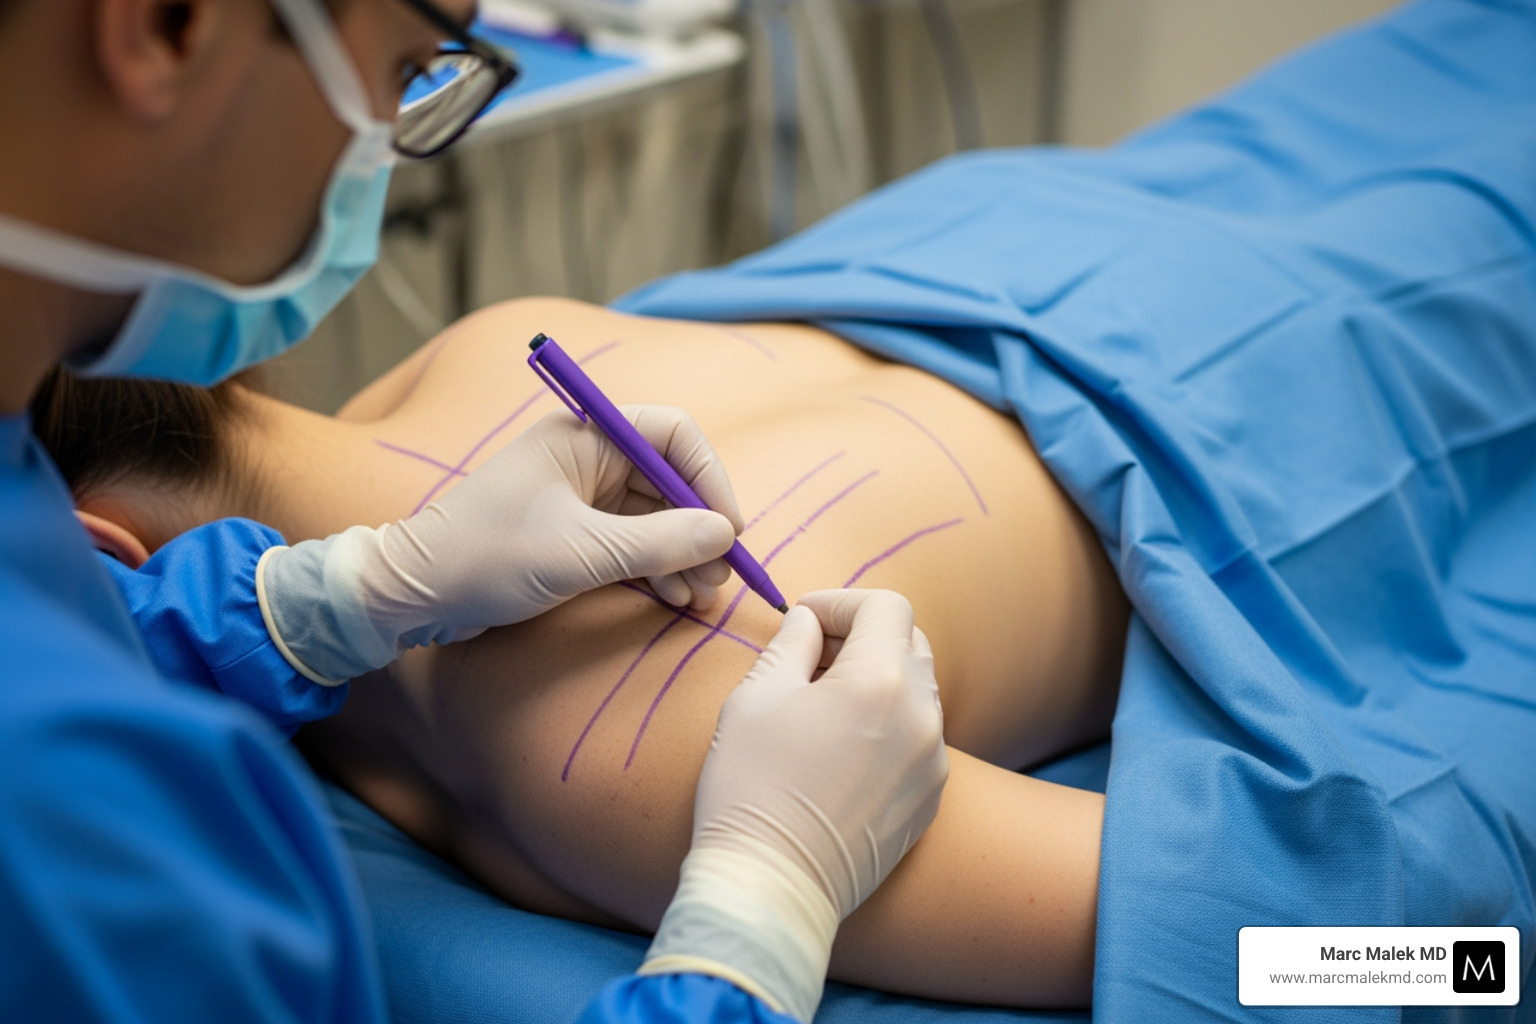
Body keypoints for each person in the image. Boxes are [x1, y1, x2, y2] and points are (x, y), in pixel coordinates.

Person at [0, 0, 950, 1021]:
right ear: (169, 24)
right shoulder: (62, 818)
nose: (391, 148)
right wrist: (762, 918)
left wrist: (334, 597)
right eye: (406, 70)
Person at [33, 295, 1130, 1007]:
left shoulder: (618, 760)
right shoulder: (470, 341)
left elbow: (1265, 946)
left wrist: (1318, 970)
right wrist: (771, 893)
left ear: (93, 552)